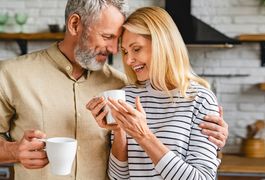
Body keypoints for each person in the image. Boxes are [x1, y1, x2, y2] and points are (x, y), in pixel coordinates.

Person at [0, 1, 227, 180]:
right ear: (75, 24)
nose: (115, 52)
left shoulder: (120, 89)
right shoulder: (11, 75)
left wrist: (208, 133)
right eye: (108, 37)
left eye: (119, 43)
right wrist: (12, 151)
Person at [86, 6, 223, 179]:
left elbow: (203, 178)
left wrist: (144, 136)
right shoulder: (126, 96)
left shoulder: (200, 100)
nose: (128, 60)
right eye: (125, 51)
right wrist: (119, 131)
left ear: (162, 44)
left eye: (136, 49)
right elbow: (118, 177)